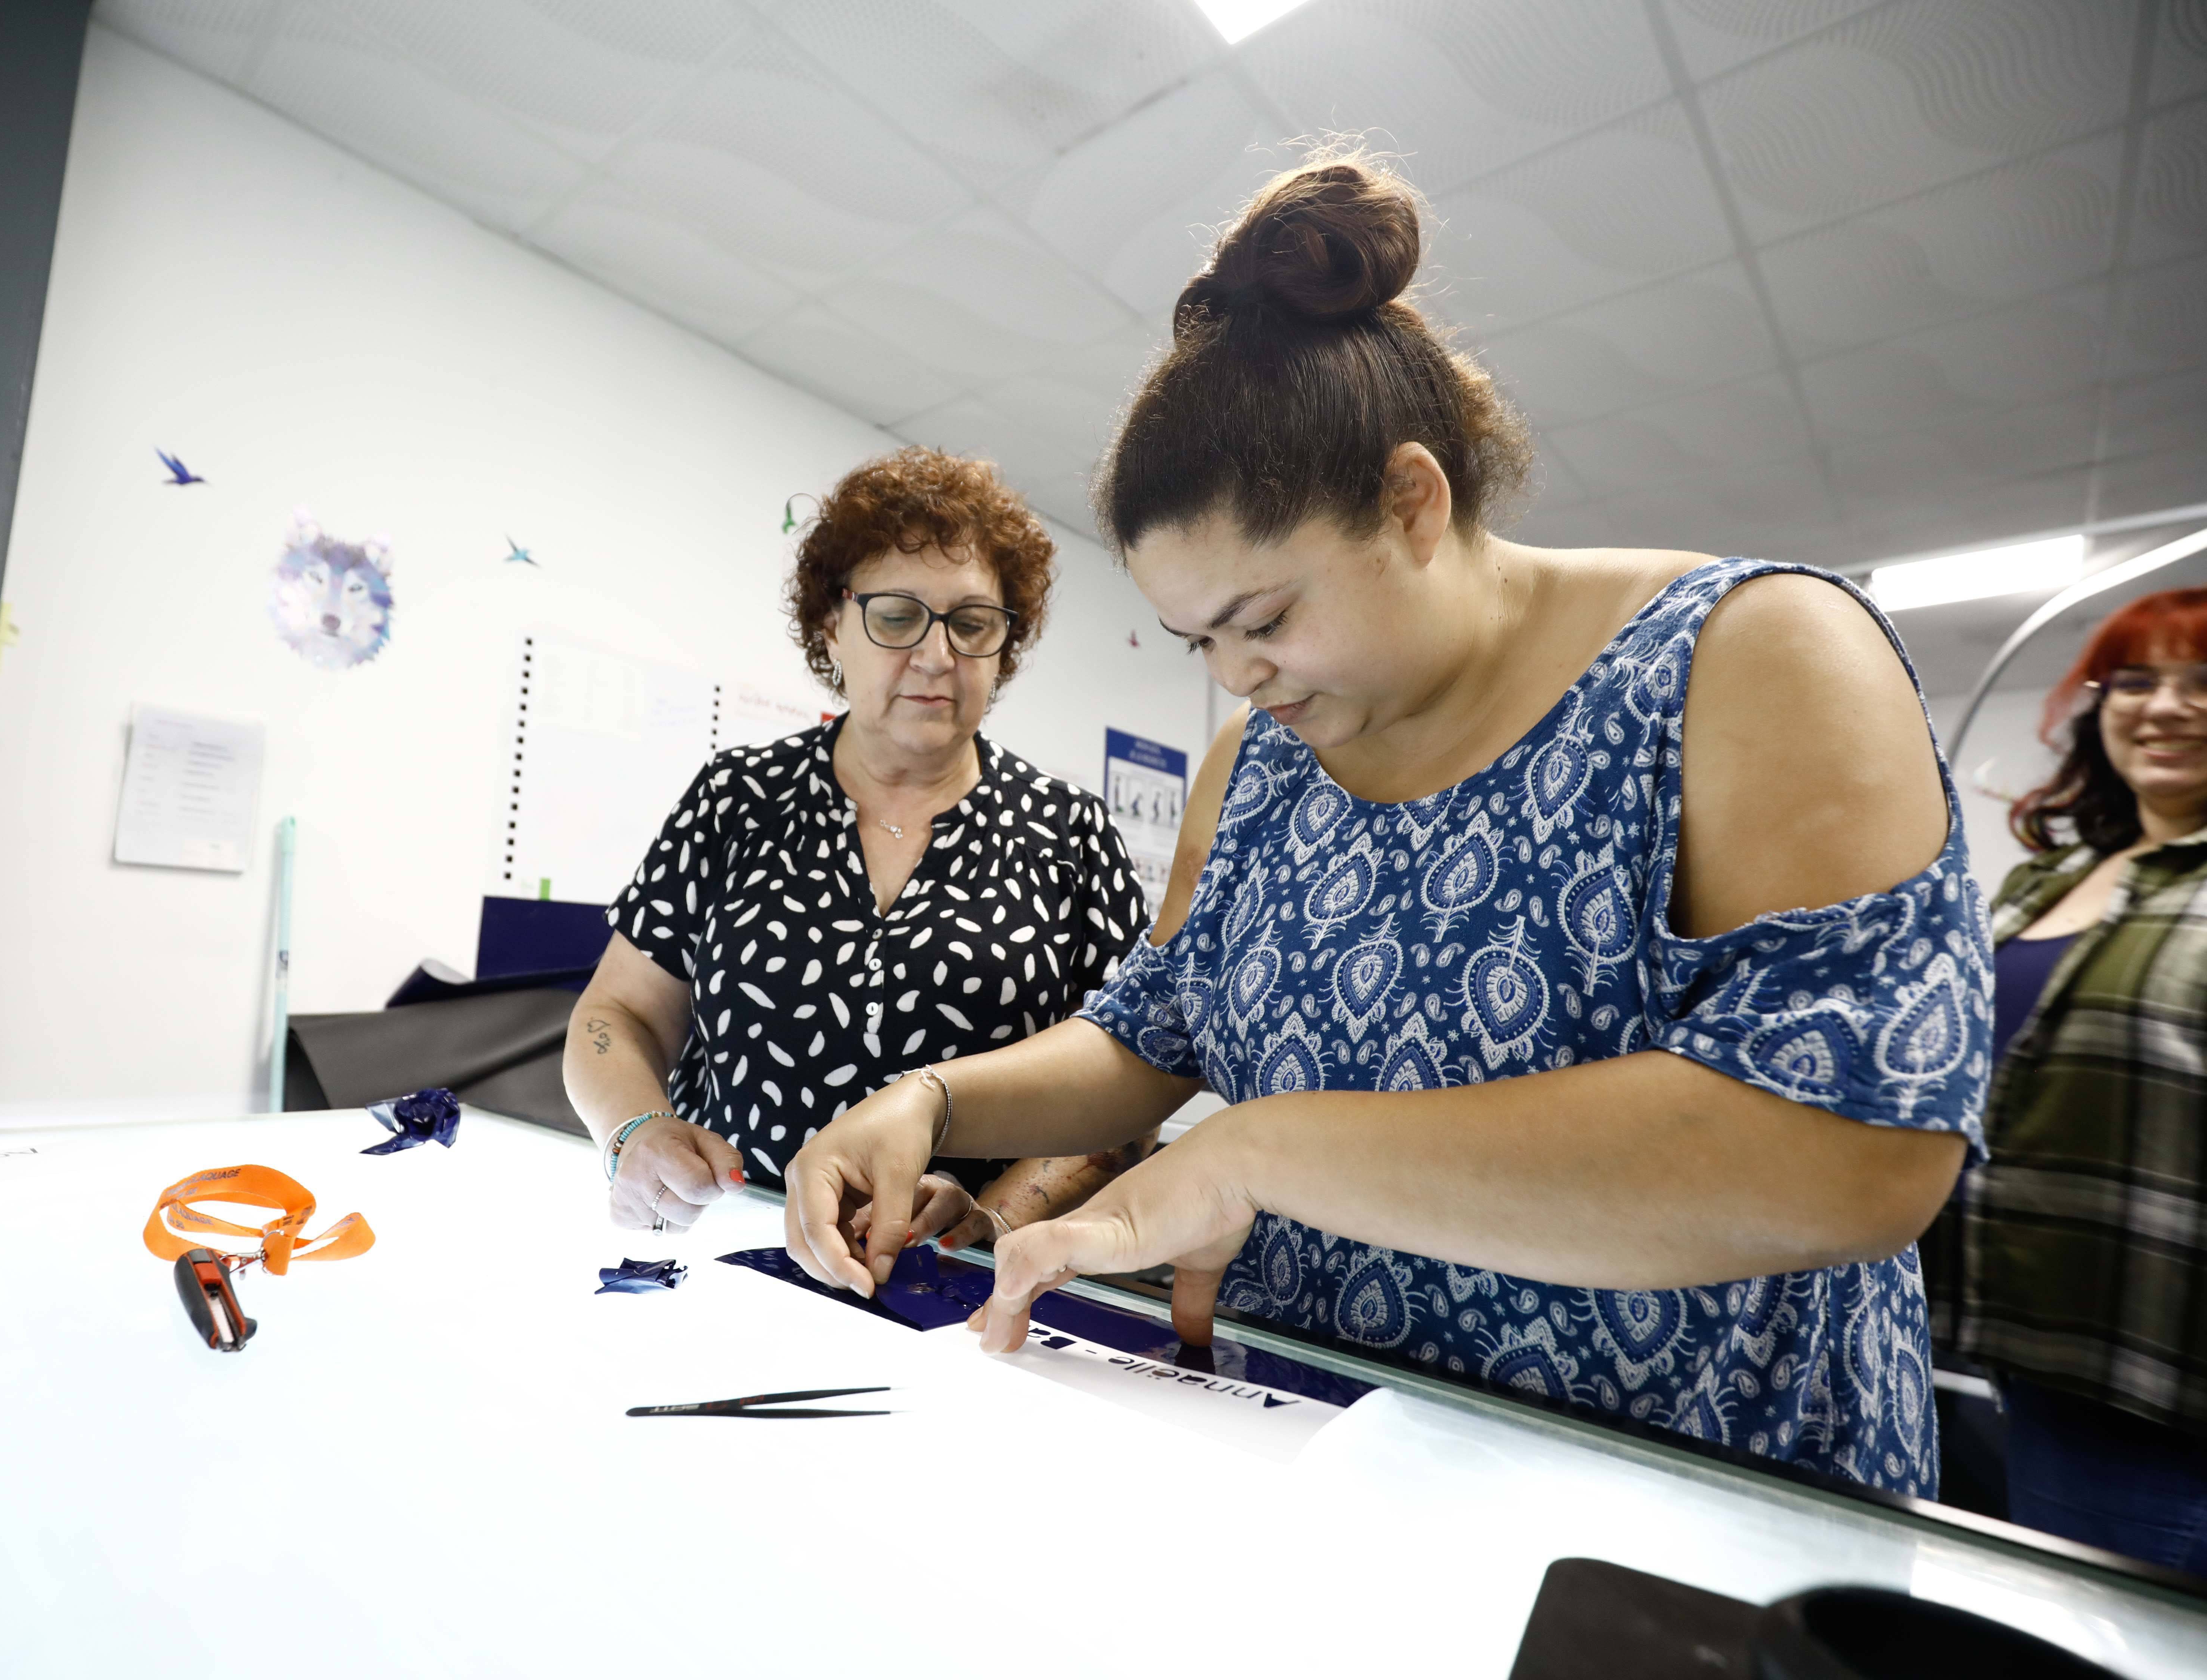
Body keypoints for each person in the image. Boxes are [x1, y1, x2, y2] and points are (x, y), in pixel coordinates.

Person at [782, 154, 1990, 1494]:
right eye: (1199, 641)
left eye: (1266, 619)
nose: (1235, 676)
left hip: (1678, 1509)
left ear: (1415, 503)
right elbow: (1153, 1030)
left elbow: (1853, 1151)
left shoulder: (1749, 659)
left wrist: (1263, 1151)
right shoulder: (1257, 767)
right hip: (1315, 1455)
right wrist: (932, 1101)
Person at [564, 446, 1152, 1248]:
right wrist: (635, 1129)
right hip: (731, 1247)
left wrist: (992, 1220)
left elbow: (1129, 1080)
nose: (937, 654)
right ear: (831, 627)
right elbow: (618, 1011)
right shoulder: (736, 800)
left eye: (972, 624)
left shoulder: (1069, 835)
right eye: (897, 615)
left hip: (957, 1288)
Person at [1942, 589, 2207, 1569]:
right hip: (2019, 1352)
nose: (2167, 707)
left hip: (2162, 1389)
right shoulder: (2047, 881)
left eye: (2203, 682)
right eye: (2137, 680)